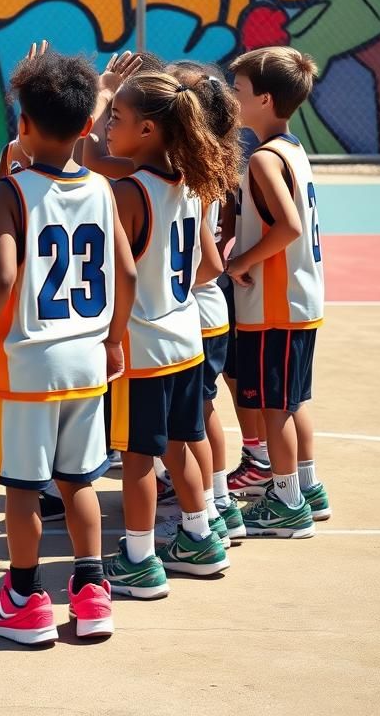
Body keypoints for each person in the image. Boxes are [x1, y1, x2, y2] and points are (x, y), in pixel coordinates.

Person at [0, 50, 136, 644]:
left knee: (22, 488)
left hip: (28, 364)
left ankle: (24, 599)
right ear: (90, 127)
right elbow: (129, 276)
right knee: (79, 481)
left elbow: (3, 277)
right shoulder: (103, 189)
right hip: (87, 360)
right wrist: (114, 341)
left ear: (23, 125)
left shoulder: (11, 193)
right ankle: (91, 596)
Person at [86, 71, 230, 598]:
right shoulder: (188, 183)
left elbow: (118, 273)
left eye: (116, 120)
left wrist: (112, 338)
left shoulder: (127, 192)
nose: (106, 128)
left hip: (143, 347)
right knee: (181, 446)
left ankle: (140, 558)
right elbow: (200, 267)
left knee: (139, 458)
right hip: (185, 336)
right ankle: (199, 535)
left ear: (147, 130)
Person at [226, 46, 329, 536]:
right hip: (298, 301)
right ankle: (307, 486)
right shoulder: (293, 148)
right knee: (291, 402)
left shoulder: (264, 160)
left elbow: (286, 227)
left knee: (273, 408)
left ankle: (287, 503)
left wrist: (242, 260)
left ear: (264, 99)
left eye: (240, 90)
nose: (233, 96)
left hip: (275, 304)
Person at [154, 62, 246, 545]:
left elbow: (210, 264)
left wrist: (171, 284)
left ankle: (216, 504)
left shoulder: (185, 174)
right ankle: (216, 503)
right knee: (199, 416)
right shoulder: (207, 163)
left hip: (198, 311)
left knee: (198, 418)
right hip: (204, 312)